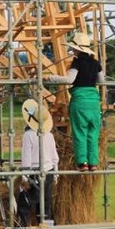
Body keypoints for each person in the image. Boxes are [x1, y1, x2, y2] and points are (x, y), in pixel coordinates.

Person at [44, 32, 104, 171]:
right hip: (94, 103)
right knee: (93, 134)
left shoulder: (77, 62)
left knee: (80, 132)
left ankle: (82, 162)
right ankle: (93, 163)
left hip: (80, 101)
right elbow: (102, 81)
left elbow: (70, 80)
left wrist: (52, 78)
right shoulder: (96, 63)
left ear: (77, 49)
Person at [19, 98, 59, 224]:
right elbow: (54, 157)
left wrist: (25, 179)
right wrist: (56, 174)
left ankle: (24, 227)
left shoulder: (28, 135)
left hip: (34, 172)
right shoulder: (50, 135)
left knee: (25, 202)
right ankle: (46, 227)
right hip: (49, 171)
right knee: (45, 203)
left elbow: (27, 158)